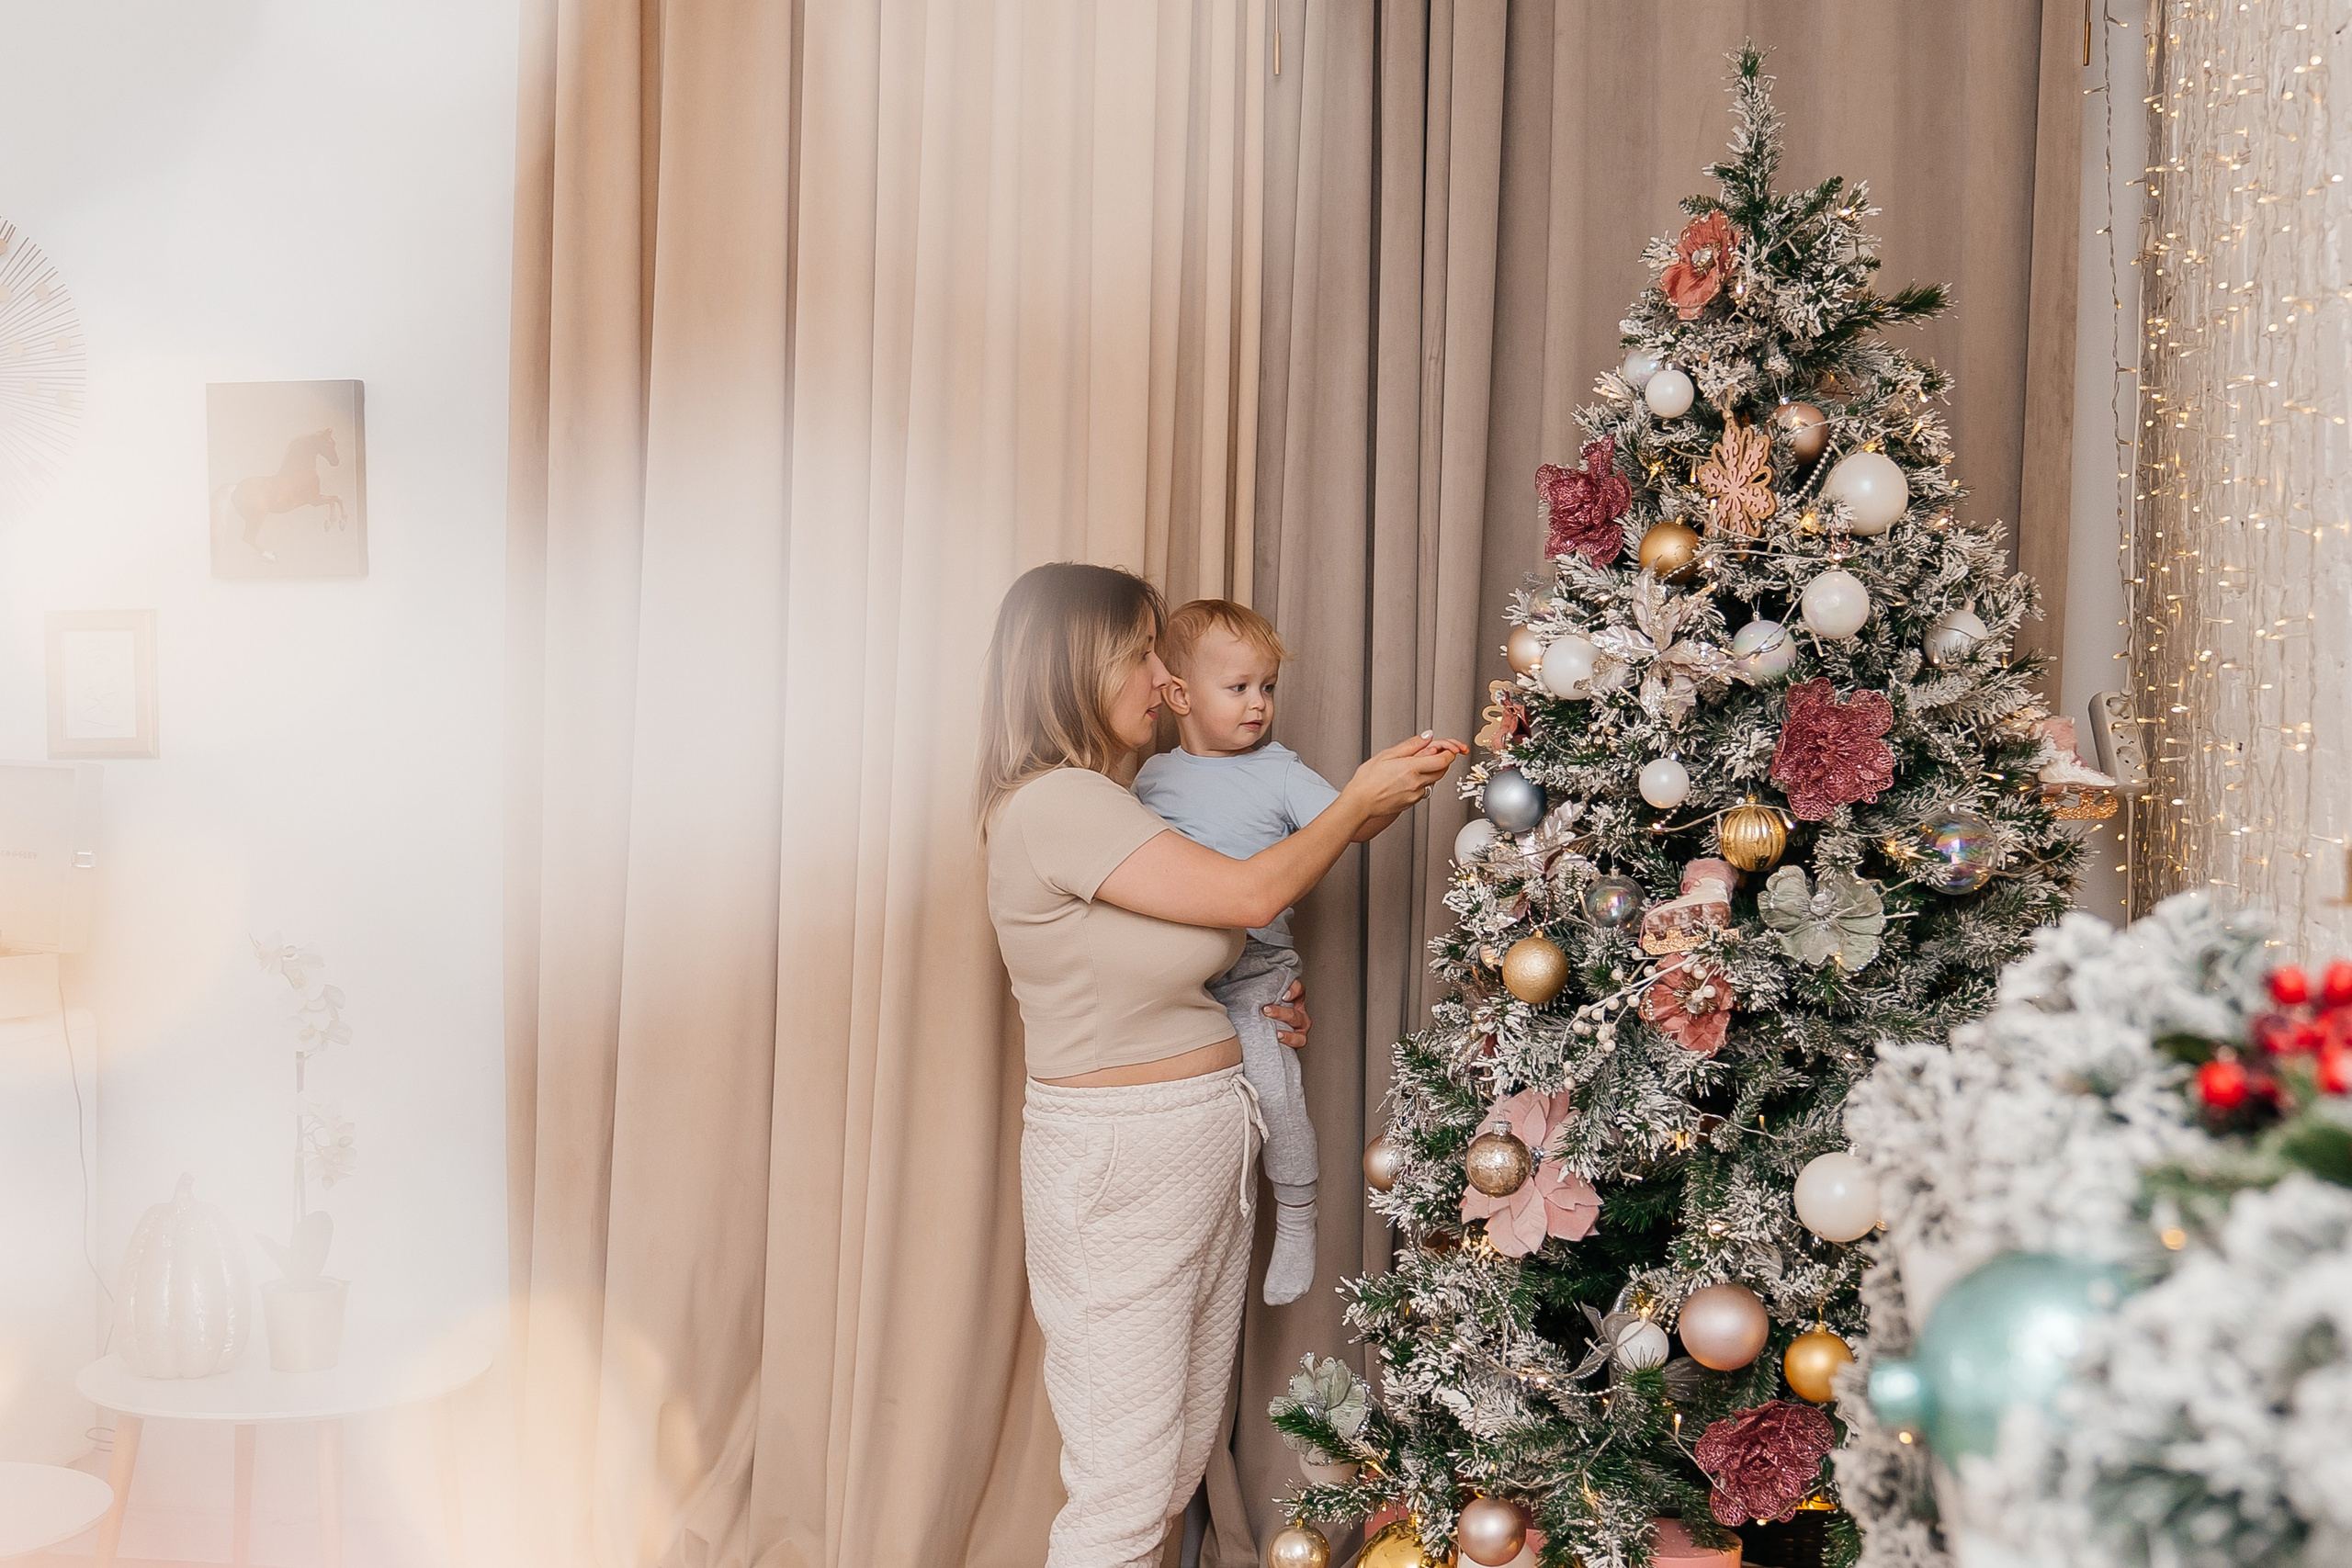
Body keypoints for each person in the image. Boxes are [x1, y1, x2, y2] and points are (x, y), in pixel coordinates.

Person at [977, 562, 1458, 1568]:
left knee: (1177, 1456)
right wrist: (1358, 796)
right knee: (1123, 1481)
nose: (1160, 676)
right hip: (1123, 1166)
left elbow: (1201, 945)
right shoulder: (1061, 802)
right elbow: (1248, 896)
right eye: (1140, 651)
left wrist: (1258, 1003)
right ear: (1078, 665)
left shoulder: (1117, 800)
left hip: (1193, 1144)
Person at [1135, 599, 1454, 1305]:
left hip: (1253, 973)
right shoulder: (1149, 781)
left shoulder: (1280, 771)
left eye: (1268, 687)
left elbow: (1354, 821)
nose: (1259, 704)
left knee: (1276, 1098)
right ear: (1179, 695)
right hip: (1175, 982)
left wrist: (1400, 785)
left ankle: (1300, 1214)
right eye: (1240, 687)